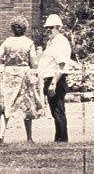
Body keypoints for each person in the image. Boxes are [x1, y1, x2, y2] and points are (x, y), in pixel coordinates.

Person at [0, 15, 44, 144]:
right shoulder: (28, 42)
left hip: (9, 73)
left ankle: (1, 134)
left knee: (7, 105)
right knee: (26, 105)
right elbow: (34, 63)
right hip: (23, 74)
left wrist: (5, 61)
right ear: (25, 28)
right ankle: (29, 137)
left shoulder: (8, 41)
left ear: (12, 28)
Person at [37, 14, 71, 143]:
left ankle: (62, 139)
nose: (47, 31)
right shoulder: (51, 42)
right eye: (46, 28)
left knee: (58, 111)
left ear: (58, 27)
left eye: (50, 28)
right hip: (49, 78)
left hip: (55, 79)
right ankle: (58, 138)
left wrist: (53, 83)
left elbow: (61, 64)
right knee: (55, 111)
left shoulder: (60, 42)